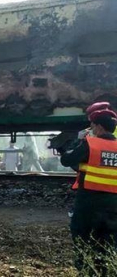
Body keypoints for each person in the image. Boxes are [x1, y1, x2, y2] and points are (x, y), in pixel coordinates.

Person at [59, 108, 117, 275]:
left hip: (89, 204)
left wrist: (79, 141)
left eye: (92, 125)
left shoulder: (91, 143)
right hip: (114, 206)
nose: (91, 128)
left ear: (98, 127)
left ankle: (87, 272)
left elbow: (67, 160)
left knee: (83, 239)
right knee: (109, 242)